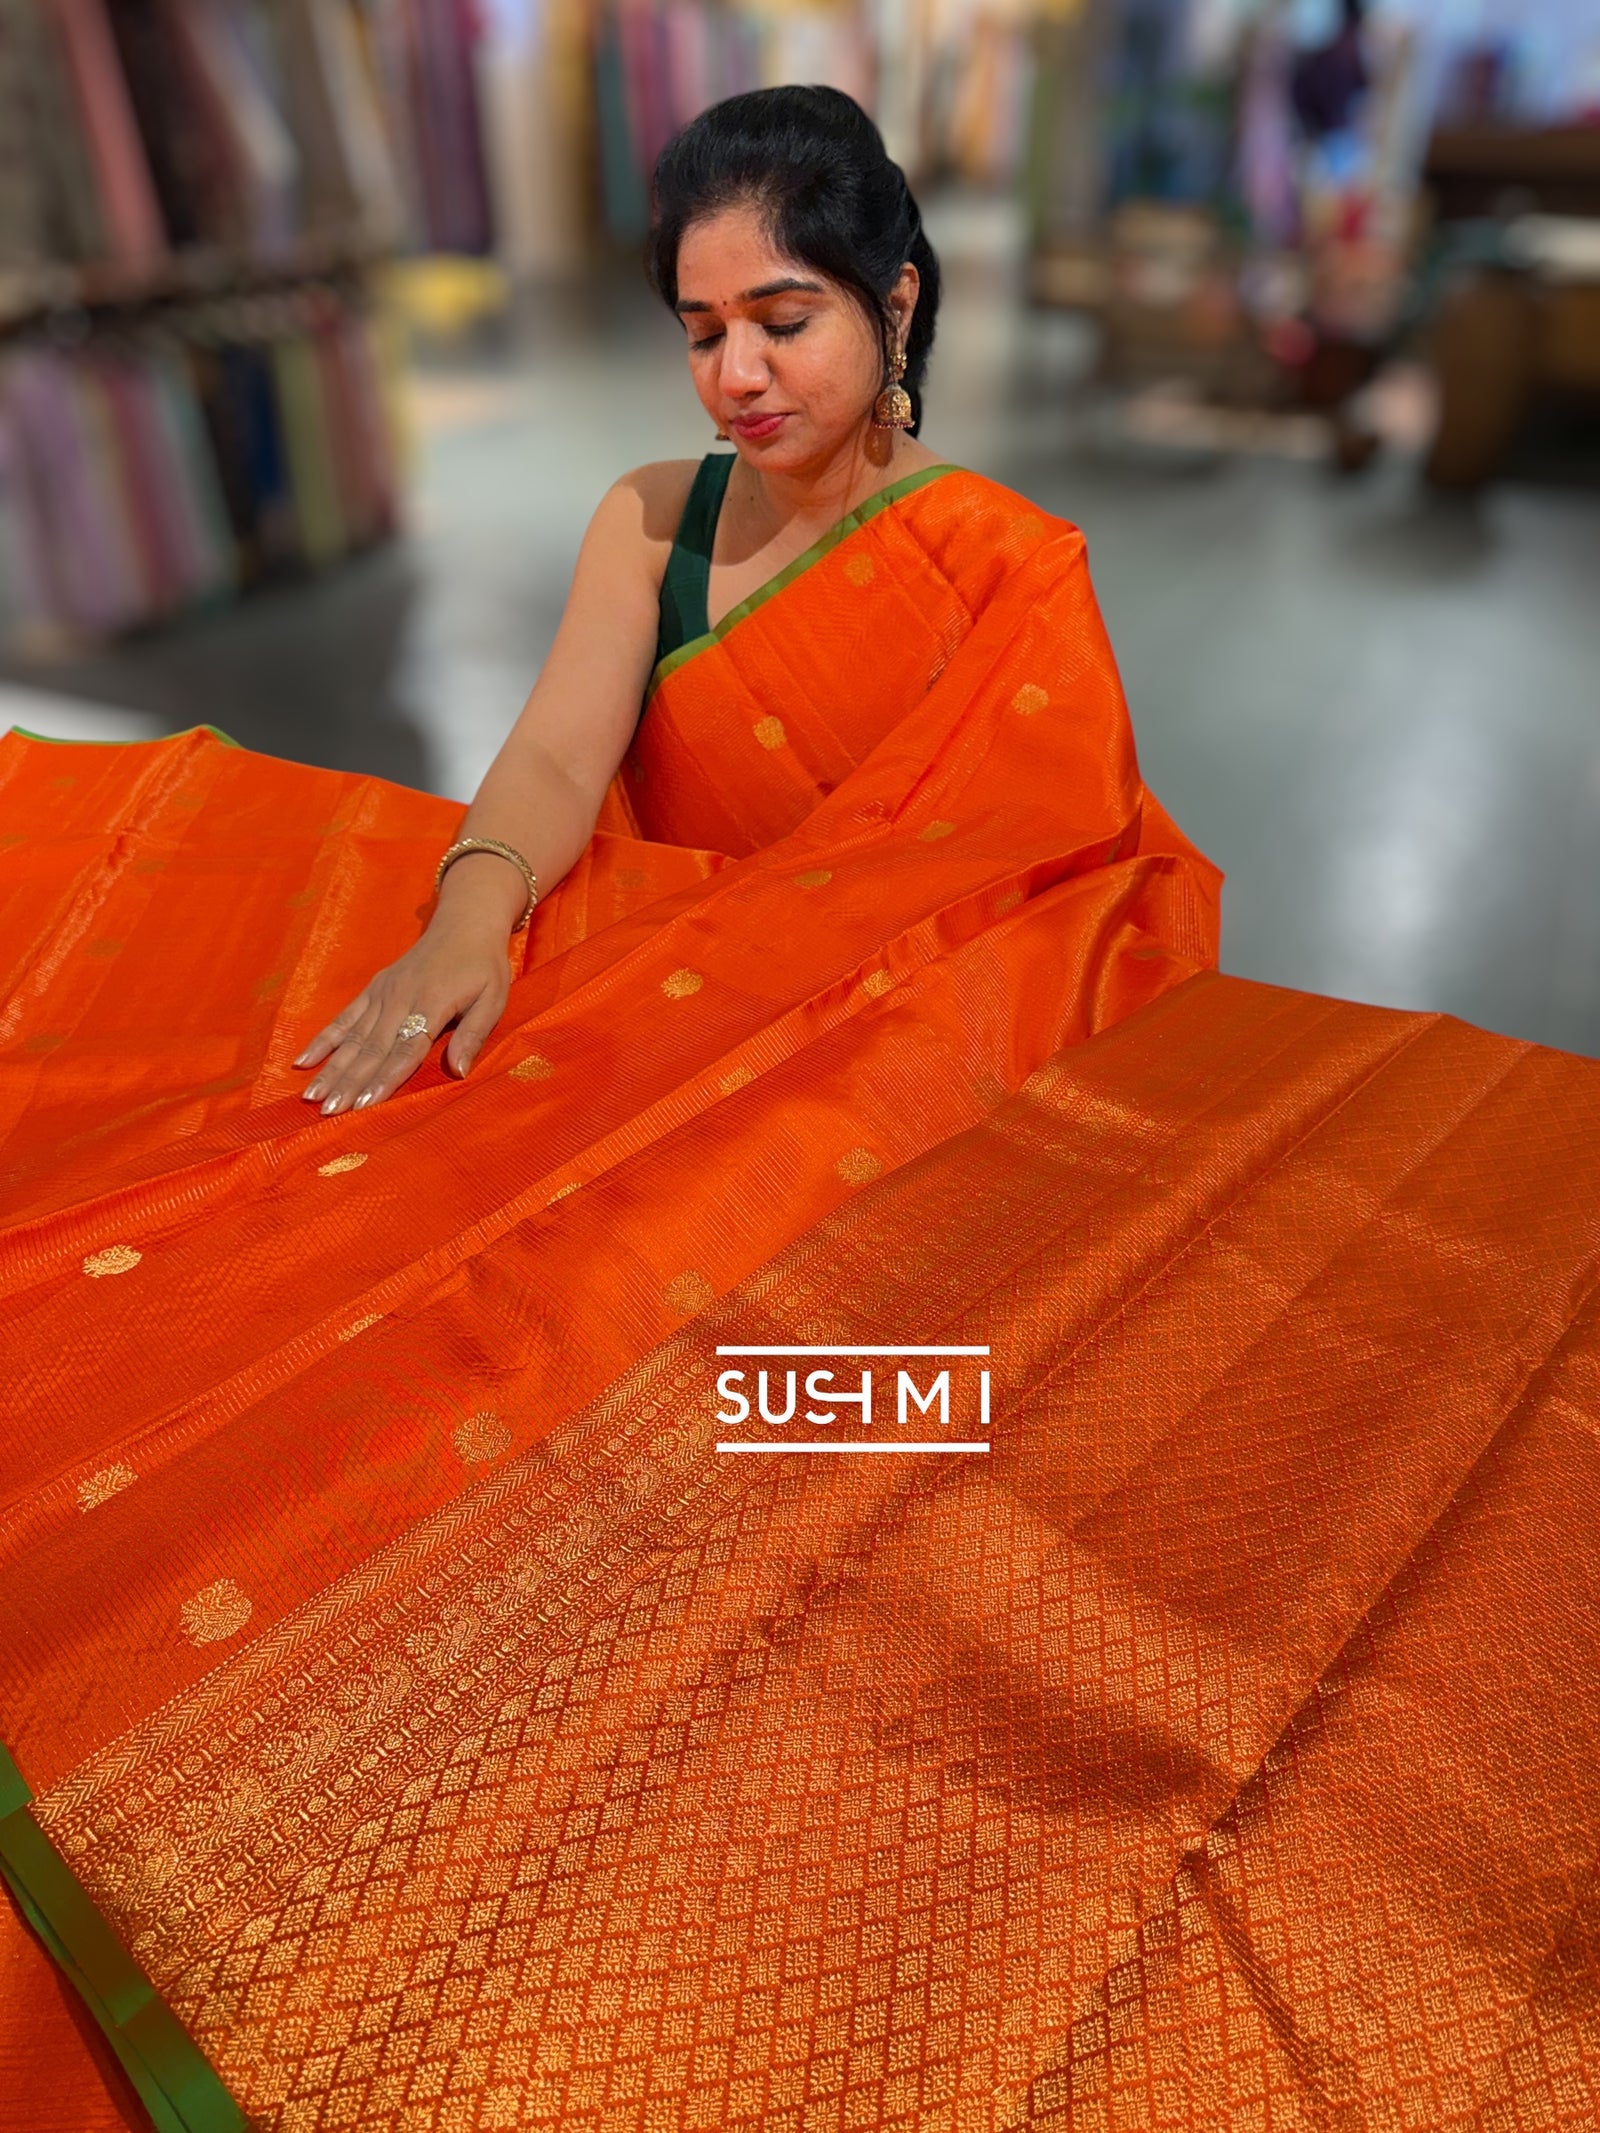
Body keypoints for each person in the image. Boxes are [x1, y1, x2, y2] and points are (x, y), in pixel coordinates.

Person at [2, 88, 1598, 2133]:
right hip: (639, 1026)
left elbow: (1024, 900)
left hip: (863, 1085)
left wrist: (774, 1029)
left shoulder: (995, 571)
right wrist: (470, 914)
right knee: (314, 1294)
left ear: (894, 300)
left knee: (894, 1429)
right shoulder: (647, 521)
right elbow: (558, 754)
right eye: (698, 326)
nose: (737, 373)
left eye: (786, 316)